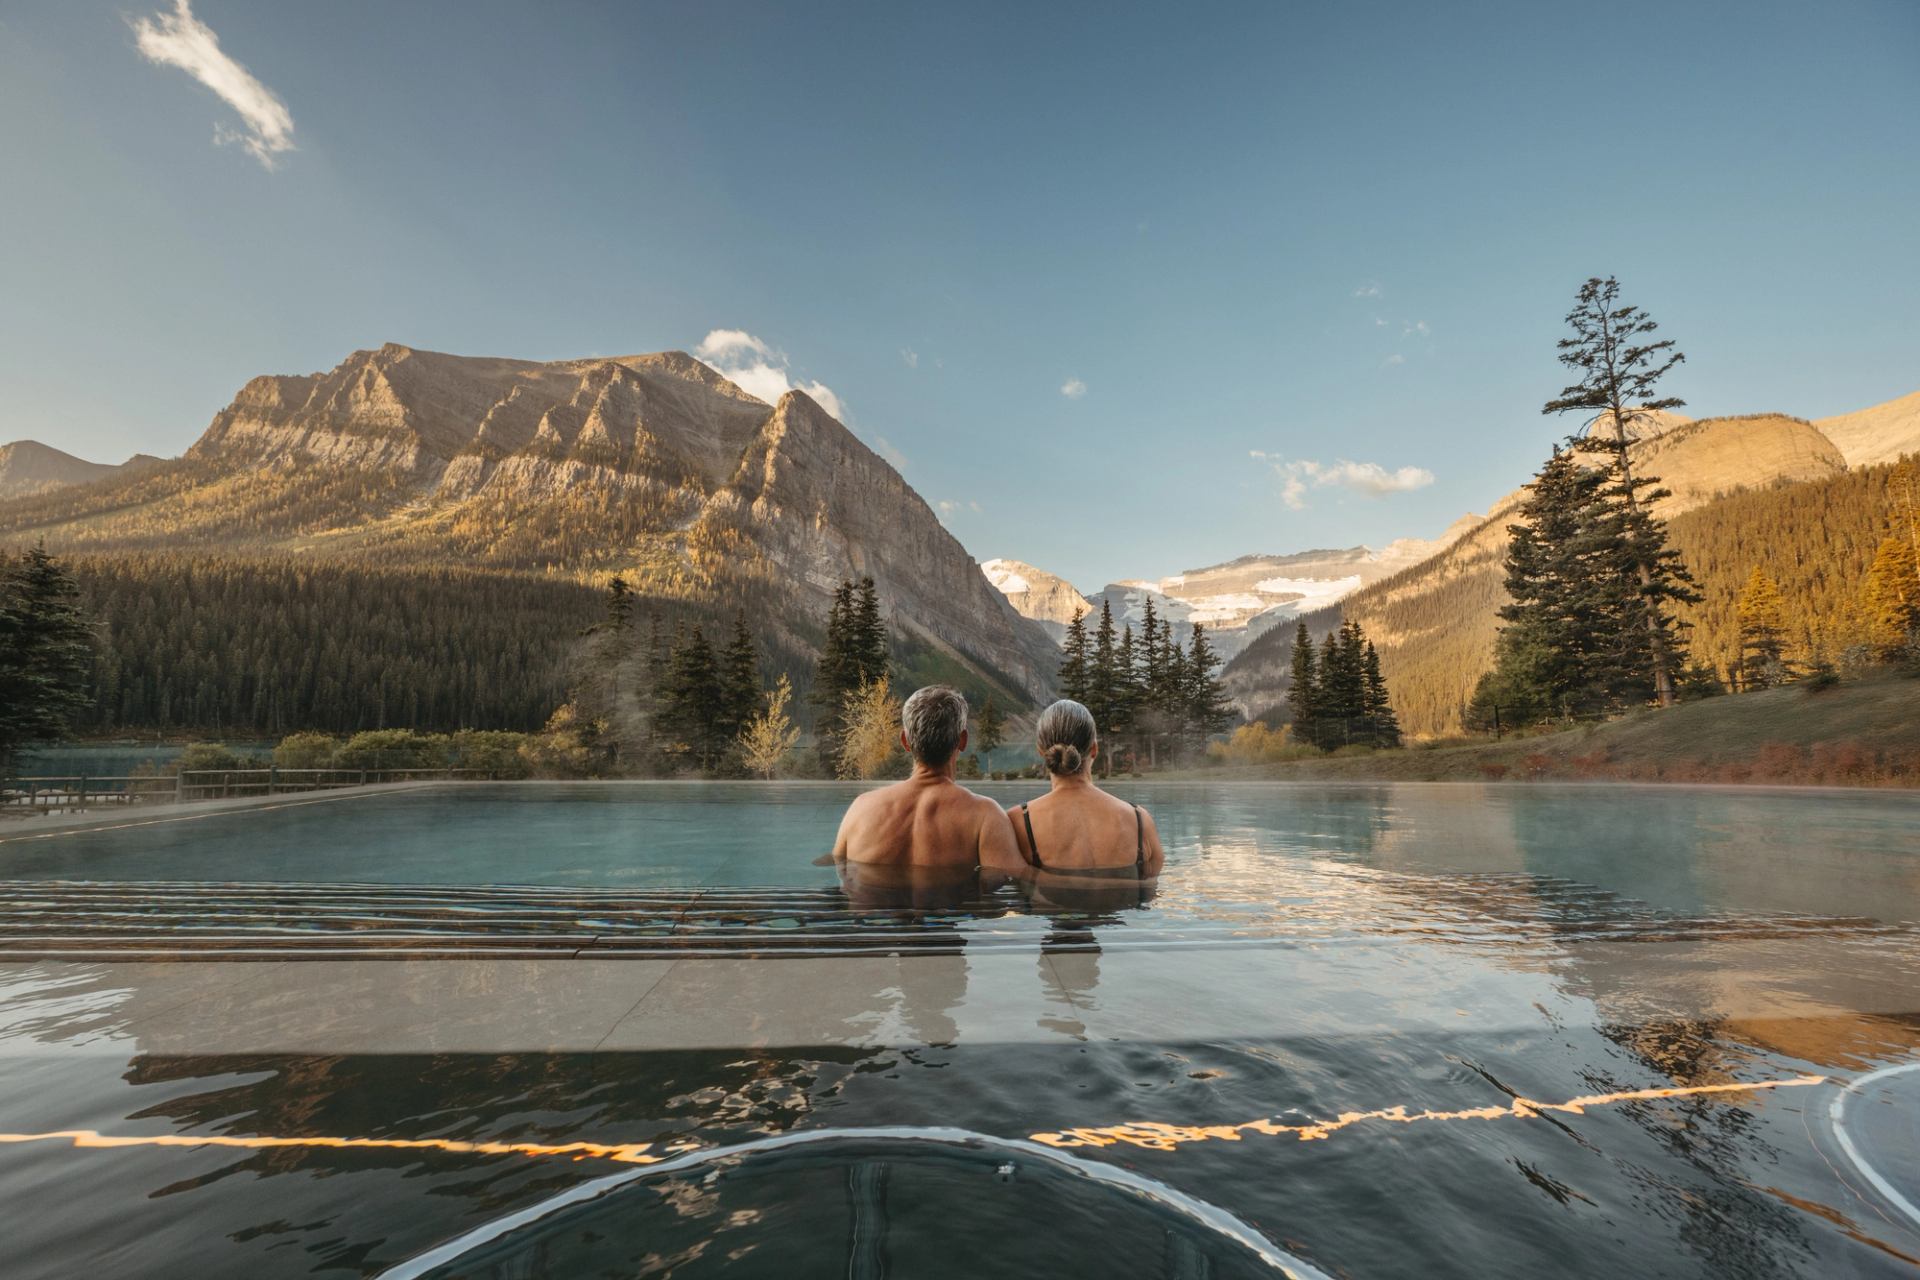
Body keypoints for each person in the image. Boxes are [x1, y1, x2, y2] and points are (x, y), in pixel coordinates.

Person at [826, 685, 1026, 872]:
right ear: (962, 740)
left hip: (871, 909)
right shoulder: (984, 816)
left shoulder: (861, 808)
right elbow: (1020, 881)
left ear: (905, 741)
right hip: (952, 908)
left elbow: (838, 866)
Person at [1008, 699, 1164, 879]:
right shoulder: (1140, 821)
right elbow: (1150, 894)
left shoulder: (1017, 822)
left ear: (1040, 751)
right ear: (1094, 749)